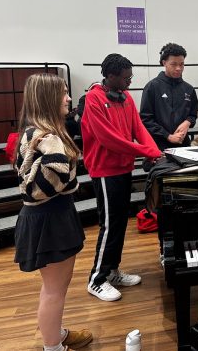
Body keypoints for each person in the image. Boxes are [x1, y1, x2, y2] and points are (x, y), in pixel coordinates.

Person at [14, 73, 92, 351]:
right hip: (49, 218)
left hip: (52, 216)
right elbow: (42, 189)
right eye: (63, 93)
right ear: (47, 98)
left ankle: (56, 334)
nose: (69, 98)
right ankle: (53, 347)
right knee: (54, 290)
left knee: (57, 286)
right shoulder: (46, 137)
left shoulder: (38, 133)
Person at [82, 54, 162, 302]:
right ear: (111, 77)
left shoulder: (126, 97)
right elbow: (109, 140)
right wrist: (147, 151)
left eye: (130, 76)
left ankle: (112, 271)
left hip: (123, 168)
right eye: (126, 77)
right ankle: (97, 279)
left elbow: (138, 128)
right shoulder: (93, 99)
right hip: (104, 170)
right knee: (108, 225)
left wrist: (155, 151)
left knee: (119, 223)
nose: (130, 81)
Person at [140, 43, 198, 150]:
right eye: (173, 64)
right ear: (164, 63)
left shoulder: (189, 89)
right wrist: (168, 136)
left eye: (181, 64)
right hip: (158, 145)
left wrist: (187, 122)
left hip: (182, 145)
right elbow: (146, 119)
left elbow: (193, 115)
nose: (178, 68)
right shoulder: (152, 87)